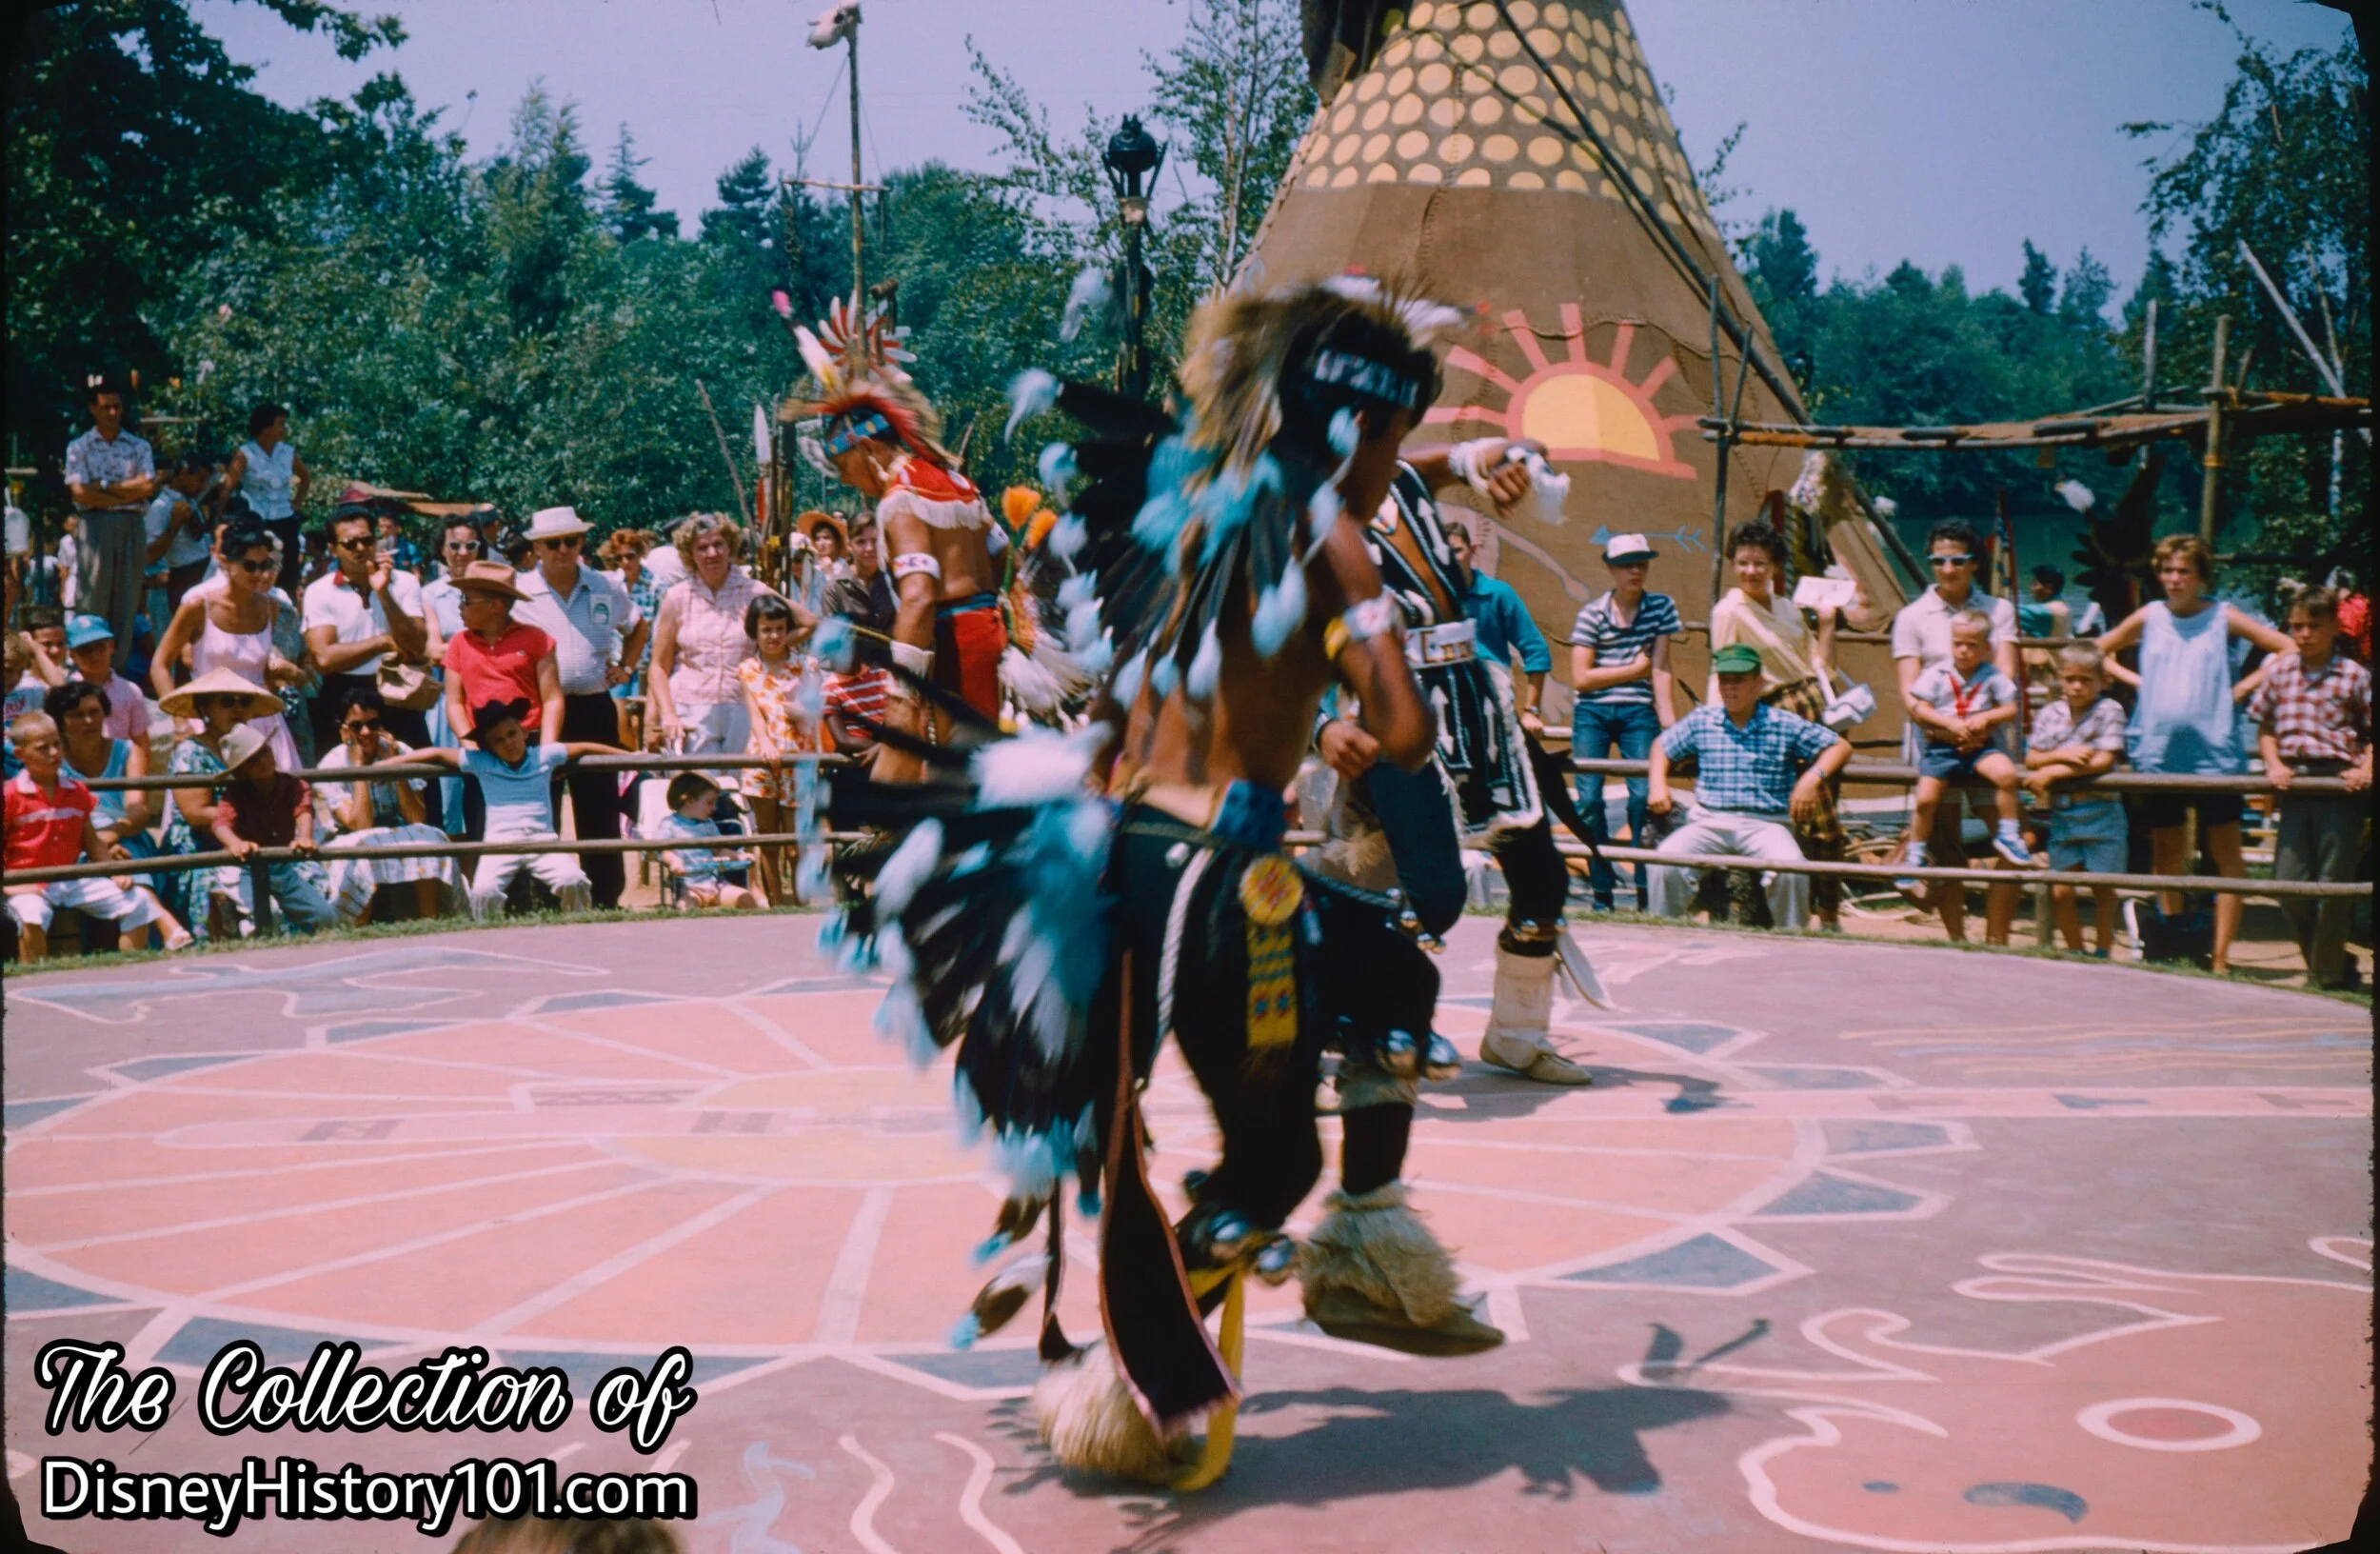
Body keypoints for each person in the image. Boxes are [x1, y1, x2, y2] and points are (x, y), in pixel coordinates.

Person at [824, 280, 1495, 1479]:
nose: (1391, 472)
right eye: (1393, 447)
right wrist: (1372, 674)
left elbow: (1132, 706)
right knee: (1275, 1161)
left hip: (1120, 860)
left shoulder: (1191, 516)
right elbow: (1401, 732)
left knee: (1393, 970)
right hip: (1226, 879)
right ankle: (1130, 1376)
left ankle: (1367, 1255)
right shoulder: (1324, 530)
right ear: (1354, 429)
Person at [1313, 436, 1594, 1086]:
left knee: (1542, 882)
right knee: (1430, 895)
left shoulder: (1401, 472)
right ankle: (1358, 1028)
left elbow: (1482, 453)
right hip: (1395, 711)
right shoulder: (1303, 521)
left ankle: (1517, 1039)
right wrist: (1323, 725)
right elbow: (1277, 644)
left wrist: (1512, 459)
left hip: (1476, 704)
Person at [2097, 534, 2293, 975]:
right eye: (2167, 570)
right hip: (2159, 752)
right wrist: (2138, 681)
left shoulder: (2223, 616)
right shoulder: (2149, 615)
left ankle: (2221, 957)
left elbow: (2287, 648)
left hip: (2215, 755)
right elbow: (2097, 651)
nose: (2174, 579)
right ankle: (2173, 940)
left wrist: (2243, 687)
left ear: (2201, 576)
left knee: (2225, 855)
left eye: (2184, 571)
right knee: (2166, 853)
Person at [788, 346, 1004, 741]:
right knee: (977, 763)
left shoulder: (899, 499)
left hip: (953, 644)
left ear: (868, 449)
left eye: (843, 467)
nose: (846, 480)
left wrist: (903, 686)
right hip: (984, 636)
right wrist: (985, 605)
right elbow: (1002, 551)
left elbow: (919, 596)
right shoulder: (957, 482)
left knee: (958, 772)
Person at [1646, 643, 1854, 928]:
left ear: (1759, 683)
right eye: (1725, 681)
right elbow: (1662, 745)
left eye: (1739, 680)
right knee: (1664, 862)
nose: (1731, 688)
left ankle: (1792, 941)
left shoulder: (1782, 722)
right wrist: (1658, 784)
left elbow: (1839, 746)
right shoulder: (1703, 720)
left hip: (1767, 824)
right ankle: (1662, 932)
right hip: (1709, 821)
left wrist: (1811, 779)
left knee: (1791, 870)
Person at [1710, 519, 1847, 928]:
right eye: (1744, 563)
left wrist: (1825, 624)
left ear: (1775, 567)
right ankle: (1808, 912)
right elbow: (1725, 671)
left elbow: (1821, 667)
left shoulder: (1787, 607)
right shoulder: (1729, 610)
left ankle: (1824, 912)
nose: (1752, 571)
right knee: (1806, 817)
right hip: (1777, 714)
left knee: (1824, 814)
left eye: (1761, 563)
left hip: (1816, 709)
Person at [1892, 520, 2023, 945]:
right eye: (1938, 560)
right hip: (1935, 740)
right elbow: (1910, 695)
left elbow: (2005, 676)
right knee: (1947, 845)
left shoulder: (1999, 611)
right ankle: (1957, 941)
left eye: (1958, 560)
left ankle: (1997, 941)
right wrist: (1947, 727)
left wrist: (1981, 723)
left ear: (1973, 563)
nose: (1947, 569)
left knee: (2014, 838)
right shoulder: (1911, 617)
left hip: (1989, 739)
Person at [513, 507, 647, 909]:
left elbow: (638, 625)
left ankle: (605, 896)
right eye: (553, 543)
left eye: (571, 541)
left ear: (582, 542)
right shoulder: (519, 591)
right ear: (536, 547)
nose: (563, 550)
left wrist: (625, 668)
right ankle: (545, 897)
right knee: (541, 806)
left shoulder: (604, 585)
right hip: (539, 713)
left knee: (600, 805)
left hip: (594, 705)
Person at [2249, 586, 2371, 990]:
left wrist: (2365, 767)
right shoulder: (2281, 671)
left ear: (2335, 627)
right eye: (2297, 626)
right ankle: (2333, 961)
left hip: (2339, 783)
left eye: (2313, 626)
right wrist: (2273, 762)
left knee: (2333, 883)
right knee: (2289, 882)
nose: (2304, 634)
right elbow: (2264, 725)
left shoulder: (2354, 675)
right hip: (2297, 783)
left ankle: (2325, 977)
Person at [388, 700, 611, 920]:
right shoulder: (482, 762)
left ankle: (577, 923)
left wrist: (630, 756)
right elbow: (435, 753)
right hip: (499, 843)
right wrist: (388, 765)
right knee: (483, 892)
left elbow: (585, 746)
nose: (508, 743)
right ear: (490, 747)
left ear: (524, 732)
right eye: (499, 740)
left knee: (573, 880)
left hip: (543, 841)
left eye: (512, 734)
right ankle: (487, 933)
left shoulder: (543, 756)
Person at [5, 710, 188, 959]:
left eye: (57, 744)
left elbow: (91, 841)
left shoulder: (76, 791)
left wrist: (113, 870)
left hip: (71, 877)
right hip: (26, 881)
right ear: (20, 755)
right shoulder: (10, 795)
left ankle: (131, 964)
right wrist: (10, 884)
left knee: (137, 901)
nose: (54, 753)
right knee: (31, 914)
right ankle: (35, 972)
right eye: (42, 748)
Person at [1569, 532, 1680, 912]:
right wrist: (1633, 669)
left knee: (1642, 797)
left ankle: (1645, 888)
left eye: (1641, 563)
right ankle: (1602, 890)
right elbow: (1581, 679)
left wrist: (1671, 725)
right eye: (1627, 564)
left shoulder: (1661, 607)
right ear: (1611, 570)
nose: (1636, 571)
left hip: (1638, 711)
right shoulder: (1592, 614)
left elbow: (1662, 669)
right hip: (1594, 712)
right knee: (1588, 800)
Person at [1896, 608, 2040, 889]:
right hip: (1942, 748)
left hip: (1979, 746)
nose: (1963, 651)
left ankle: (2008, 834)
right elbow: (1920, 709)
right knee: (1926, 800)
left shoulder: (1991, 675)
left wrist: (1987, 717)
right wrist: (1948, 724)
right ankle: (1914, 856)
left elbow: (2010, 708)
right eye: (1958, 644)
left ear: (1986, 648)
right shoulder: (1936, 674)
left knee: (2007, 775)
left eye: (1972, 645)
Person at [151, 518, 308, 770]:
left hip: (262, 722)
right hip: (210, 720)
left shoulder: (272, 608)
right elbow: (160, 664)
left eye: (265, 565)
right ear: (225, 563)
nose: (260, 574)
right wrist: (180, 721)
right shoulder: (197, 606)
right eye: (250, 566)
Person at [646, 513, 804, 757]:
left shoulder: (753, 591)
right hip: (690, 710)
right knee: (698, 789)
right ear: (690, 553)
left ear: (730, 546)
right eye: (702, 547)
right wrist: (665, 715)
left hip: (743, 705)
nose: (712, 553)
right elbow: (658, 666)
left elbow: (808, 622)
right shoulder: (677, 597)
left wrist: (771, 645)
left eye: (718, 544)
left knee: (741, 788)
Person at [154, 667, 288, 940]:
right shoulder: (191, 751)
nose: (237, 708)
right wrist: (252, 816)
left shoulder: (254, 747)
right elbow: (196, 813)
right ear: (206, 709)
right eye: (227, 701)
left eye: (244, 701)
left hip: (251, 840)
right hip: (202, 845)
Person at [313, 682, 455, 925]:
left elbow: (417, 818)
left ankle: (429, 920)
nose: (366, 733)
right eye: (357, 726)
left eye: (373, 724)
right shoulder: (330, 764)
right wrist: (359, 768)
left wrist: (395, 766)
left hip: (396, 828)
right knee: (362, 850)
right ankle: (357, 927)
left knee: (430, 837)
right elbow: (360, 825)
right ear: (344, 729)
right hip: (350, 835)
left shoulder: (399, 751)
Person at [2025, 644, 2130, 957]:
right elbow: (2032, 758)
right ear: (2060, 679)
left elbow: (2101, 761)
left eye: (2086, 679)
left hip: (2102, 811)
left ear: (2101, 681)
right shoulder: (2050, 713)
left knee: (2103, 887)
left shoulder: (2109, 710)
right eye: (2070, 678)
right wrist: (2062, 756)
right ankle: (2074, 950)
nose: (2077, 686)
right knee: (2060, 888)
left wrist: (2052, 772)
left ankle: (2103, 948)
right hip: (2065, 814)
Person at [302, 505, 431, 750]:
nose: (360, 549)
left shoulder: (404, 583)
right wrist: (382, 642)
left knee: (416, 776)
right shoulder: (319, 591)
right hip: (343, 695)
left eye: (367, 540)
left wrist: (383, 593)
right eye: (350, 544)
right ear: (333, 549)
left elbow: (415, 644)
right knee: (343, 780)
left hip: (398, 691)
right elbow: (325, 659)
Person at [207, 722, 340, 935]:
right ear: (241, 771)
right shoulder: (234, 793)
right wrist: (236, 844)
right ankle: (249, 935)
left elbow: (303, 811)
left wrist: (304, 837)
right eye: (253, 760)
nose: (264, 761)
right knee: (267, 915)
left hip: (279, 865)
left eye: (265, 753)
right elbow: (221, 824)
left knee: (324, 916)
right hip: (244, 867)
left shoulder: (294, 785)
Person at [62, 379, 159, 667]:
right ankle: (87, 668)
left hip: (131, 524)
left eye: (117, 407)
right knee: (94, 597)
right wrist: (122, 492)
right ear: (93, 408)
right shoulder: (79, 447)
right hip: (95, 526)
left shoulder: (138, 445)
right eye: (106, 407)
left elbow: (146, 487)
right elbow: (80, 493)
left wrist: (102, 487)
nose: (112, 413)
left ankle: (117, 671)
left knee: (127, 600)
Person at [736, 593, 821, 903]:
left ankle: (800, 902)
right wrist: (767, 744)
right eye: (766, 629)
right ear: (755, 632)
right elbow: (755, 714)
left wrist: (798, 709)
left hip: (797, 756)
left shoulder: (805, 665)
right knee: (769, 841)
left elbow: (814, 710)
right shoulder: (748, 669)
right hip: (763, 758)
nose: (774, 636)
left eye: (780, 628)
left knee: (796, 843)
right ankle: (774, 902)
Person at [441, 561, 563, 751]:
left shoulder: (537, 639)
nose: (460, 606)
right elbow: (454, 703)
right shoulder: (459, 643)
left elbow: (552, 699)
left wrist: (547, 750)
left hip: (529, 742)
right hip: (481, 744)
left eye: (467, 600)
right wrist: (470, 746)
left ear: (495, 606)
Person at [49, 679, 153, 858]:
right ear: (60, 721)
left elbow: (138, 810)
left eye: (94, 712)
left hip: (124, 834)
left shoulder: (128, 751)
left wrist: (112, 833)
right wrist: (93, 844)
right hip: (71, 840)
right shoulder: (51, 757)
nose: (88, 720)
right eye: (77, 715)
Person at [220, 402, 311, 593]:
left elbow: (305, 476)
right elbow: (228, 486)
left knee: (287, 572)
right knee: (259, 570)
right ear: (266, 426)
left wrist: (296, 503)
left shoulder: (287, 452)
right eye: (281, 424)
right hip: (256, 521)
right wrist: (219, 517)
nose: (284, 429)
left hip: (285, 520)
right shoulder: (245, 453)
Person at [657, 771, 764, 909]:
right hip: (689, 886)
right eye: (709, 803)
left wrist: (737, 856)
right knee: (686, 906)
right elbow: (664, 851)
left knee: (746, 897)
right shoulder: (669, 824)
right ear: (689, 801)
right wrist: (673, 861)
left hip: (716, 884)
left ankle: (753, 929)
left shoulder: (708, 824)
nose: (714, 808)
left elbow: (718, 850)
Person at [599, 528, 664, 747]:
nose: (625, 562)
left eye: (630, 556)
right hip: (618, 662)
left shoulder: (657, 586)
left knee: (641, 723)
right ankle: (628, 766)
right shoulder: (610, 585)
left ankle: (641, 767)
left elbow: (661, 628)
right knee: (618, 720)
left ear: (640, 554)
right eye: (619, 557)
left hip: (646, 664)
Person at [145, 454, 216, 616]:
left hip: (205, 571)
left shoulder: (189, 499)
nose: (202, 486)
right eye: (200, 479)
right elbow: (150, 555)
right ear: (183, 474)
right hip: (185, 577)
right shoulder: (160, 508)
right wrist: (174, 525)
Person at [60, 614, 149, 743]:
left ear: (111, 646)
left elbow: (141, 742)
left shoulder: (130, 691)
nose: (94, 655)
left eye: (99, 646)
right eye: (85, 650)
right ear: (73, 655)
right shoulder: (65, 690)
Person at [2018, 564, 2075, 693]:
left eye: (2035, 584)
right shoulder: (2063, 607)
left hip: (2047, 674)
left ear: (2048, 588)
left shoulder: (2047, 612)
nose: (2031, 588)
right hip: (2057, 668)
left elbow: (2009, 612)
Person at [847, 511, 897, 630]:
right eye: (861, 542)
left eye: (875, 541)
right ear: (849, 546)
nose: (869, 548)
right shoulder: (836, 588)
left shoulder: (895, 580)